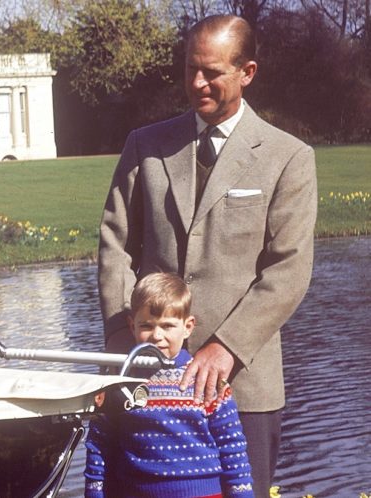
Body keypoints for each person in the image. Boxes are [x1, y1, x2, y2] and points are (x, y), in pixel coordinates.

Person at [97, 15, 317, 495]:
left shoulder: (289, 156)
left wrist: (227, 346)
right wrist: (119, 333)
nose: (197, 83)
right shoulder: (145, 145)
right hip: (141, 380)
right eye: (190, 69)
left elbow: (289, 270)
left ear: (247, 72)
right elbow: (116, 244)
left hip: (243, 387)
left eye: (212, 72)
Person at [85, 273, 254, 497]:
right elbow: (99, 440)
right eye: (146, 325)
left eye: (167, 326)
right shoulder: (120, 382)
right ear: (131, 325)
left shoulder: (208, 381)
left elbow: (232, 447)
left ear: (188, 326)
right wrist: (94, 490)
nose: (157, 335)